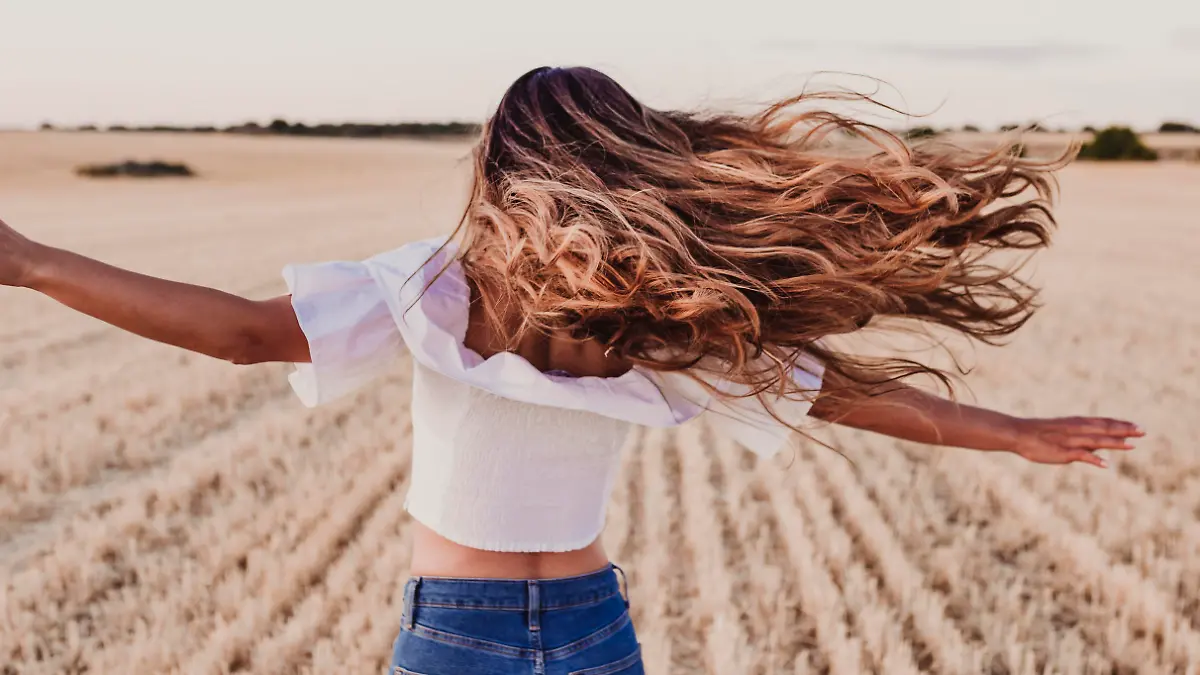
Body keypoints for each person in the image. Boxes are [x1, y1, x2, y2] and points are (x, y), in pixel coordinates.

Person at [0, 66, 1142, 675]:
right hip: (595, 630)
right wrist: (1012, 431)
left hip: (456, 629)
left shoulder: (438, 287)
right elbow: (838, 393)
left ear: (503, 167)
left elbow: (243, 334)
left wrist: (33, 262)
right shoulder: (659, 317)